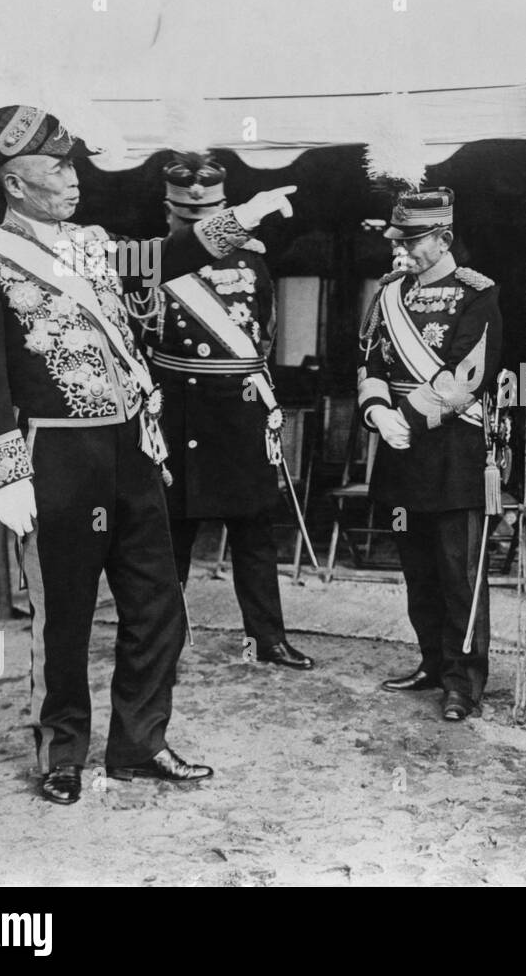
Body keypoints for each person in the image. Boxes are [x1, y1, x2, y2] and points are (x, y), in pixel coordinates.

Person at [0, 104, 296, 804]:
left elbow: (167, 259)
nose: (73, 180)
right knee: (65, 616)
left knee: (159, 608)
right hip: (57, 458)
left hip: (132, 450)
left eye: (73, 165)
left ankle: (140, 745)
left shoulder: (89, 245)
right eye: (57, 167)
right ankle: (62, 751)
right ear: (14, 183)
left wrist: (243, 217)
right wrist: (4, 475)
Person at [131, 152, 312, 670]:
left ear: (224, 207)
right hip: (180, 408)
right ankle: (163, 639)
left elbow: (265, 332)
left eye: (206, 212)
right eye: (185, 216)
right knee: (172, 533)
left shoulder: (252, 259)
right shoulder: (149, 261)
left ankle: (267, 639)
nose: (195, 221)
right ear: (167, 209)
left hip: (239, 410)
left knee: (254, 530)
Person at [357, 189, 502, 721]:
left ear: (442, 238)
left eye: (414, 241)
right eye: (400, 240)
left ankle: (464, 681)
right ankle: (432, 662)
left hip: (453, 451)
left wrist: (406, 418)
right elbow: (368, 360)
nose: (404, 251)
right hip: (399, 451)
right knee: (417, 570)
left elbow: (470, 373)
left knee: (458, 572)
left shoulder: (476, 293)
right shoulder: (389, 291)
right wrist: (377, 413)